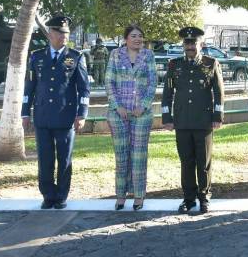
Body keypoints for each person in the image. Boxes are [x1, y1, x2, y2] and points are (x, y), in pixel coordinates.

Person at [21, 15, 90, 209]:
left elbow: (84, 88)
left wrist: (82, 113)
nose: (64, 36)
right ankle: (48, 195)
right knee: (45, 158)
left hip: (65, 116)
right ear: (50, 33)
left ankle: (61, 196)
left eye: (66, 33)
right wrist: (25, 113)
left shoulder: (76, 57)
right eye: (60, 32)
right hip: (42, 115)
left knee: (64, 158)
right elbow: (29, 87)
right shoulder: (37, 57)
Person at [161, 26, 224, 214]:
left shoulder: (211, 63)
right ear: (183, 45)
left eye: (193, 43)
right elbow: (167, 93)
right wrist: (167, 117)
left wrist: (217, 116)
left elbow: (219, 93)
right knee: (186, 161)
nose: (190, 47)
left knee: (203, 162)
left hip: (204, 121)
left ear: (201, 44)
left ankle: (204, 197)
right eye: (187, 43)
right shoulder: (174, 65)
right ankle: (188, 198)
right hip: (182, 121)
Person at [105, 25, 157, 211]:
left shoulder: (148, 55)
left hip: (141, 115)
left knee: (139, 156)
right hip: (118, 114)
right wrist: (117, 106)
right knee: (121, 155)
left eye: (140, 36)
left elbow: (153, 83)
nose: (137, 39)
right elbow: (109, 82)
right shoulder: (115, 55)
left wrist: (142, 106)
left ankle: (139, 197)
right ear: (126, 38)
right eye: (133, 36)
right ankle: (120, 196)